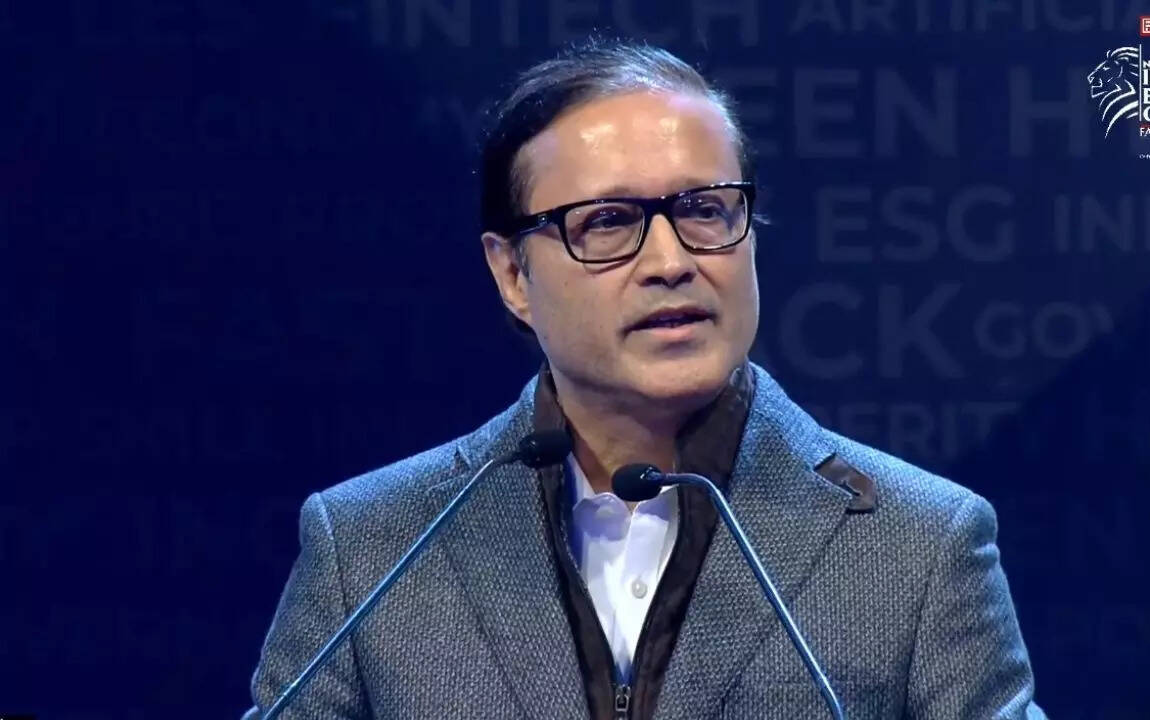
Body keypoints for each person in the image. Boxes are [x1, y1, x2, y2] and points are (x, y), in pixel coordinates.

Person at [244, 39, 1046, 719]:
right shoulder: (372, 548)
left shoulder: (919, 543)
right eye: (608, 222)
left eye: (704, 209)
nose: (670, 261)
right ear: (513, 274)